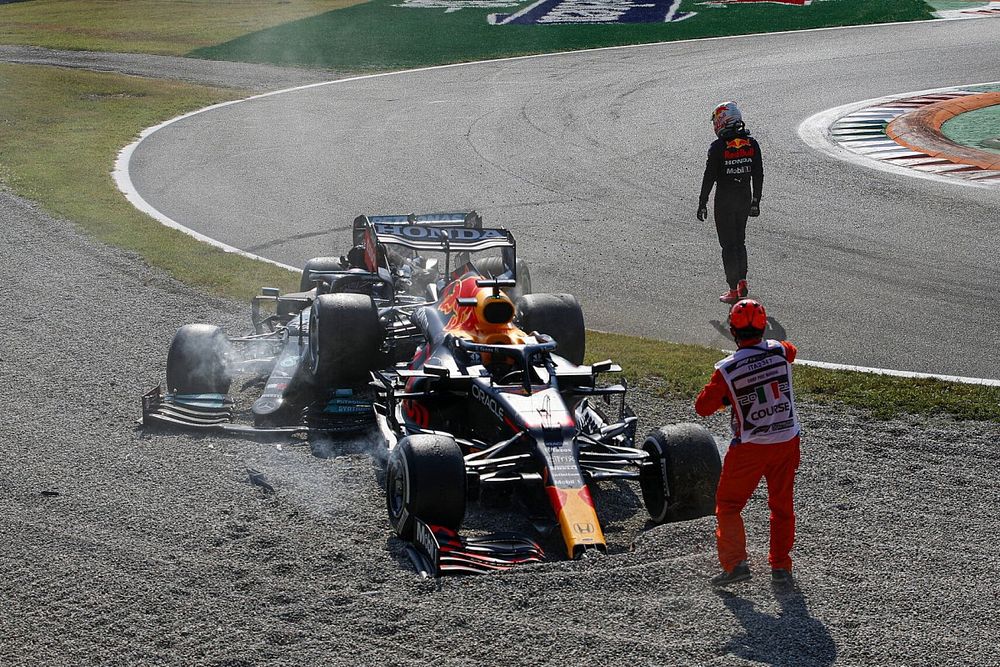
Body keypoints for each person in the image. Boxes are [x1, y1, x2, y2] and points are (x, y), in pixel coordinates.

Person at [694, 299, 800, 587]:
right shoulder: (781, 350)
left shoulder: (727, 369)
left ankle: (736, 563)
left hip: (751, 446)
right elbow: (791, 351)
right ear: (765, 327)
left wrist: (729, 396)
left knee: (728, 505)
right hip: (787, 440)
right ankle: (781, 567)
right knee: (781, 506)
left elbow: (702, 407)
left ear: (732, 331)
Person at [697, 102, 764, 305]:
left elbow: (709, 177)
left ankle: (733, 288)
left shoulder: (717, 147)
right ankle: (742, 279)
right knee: (740, 241)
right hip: (744, 196)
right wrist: (756, 201)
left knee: (728, 245)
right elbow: (758, 174)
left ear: (722, 121)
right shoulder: (752, 144)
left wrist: (702, 202)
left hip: (725, 200)